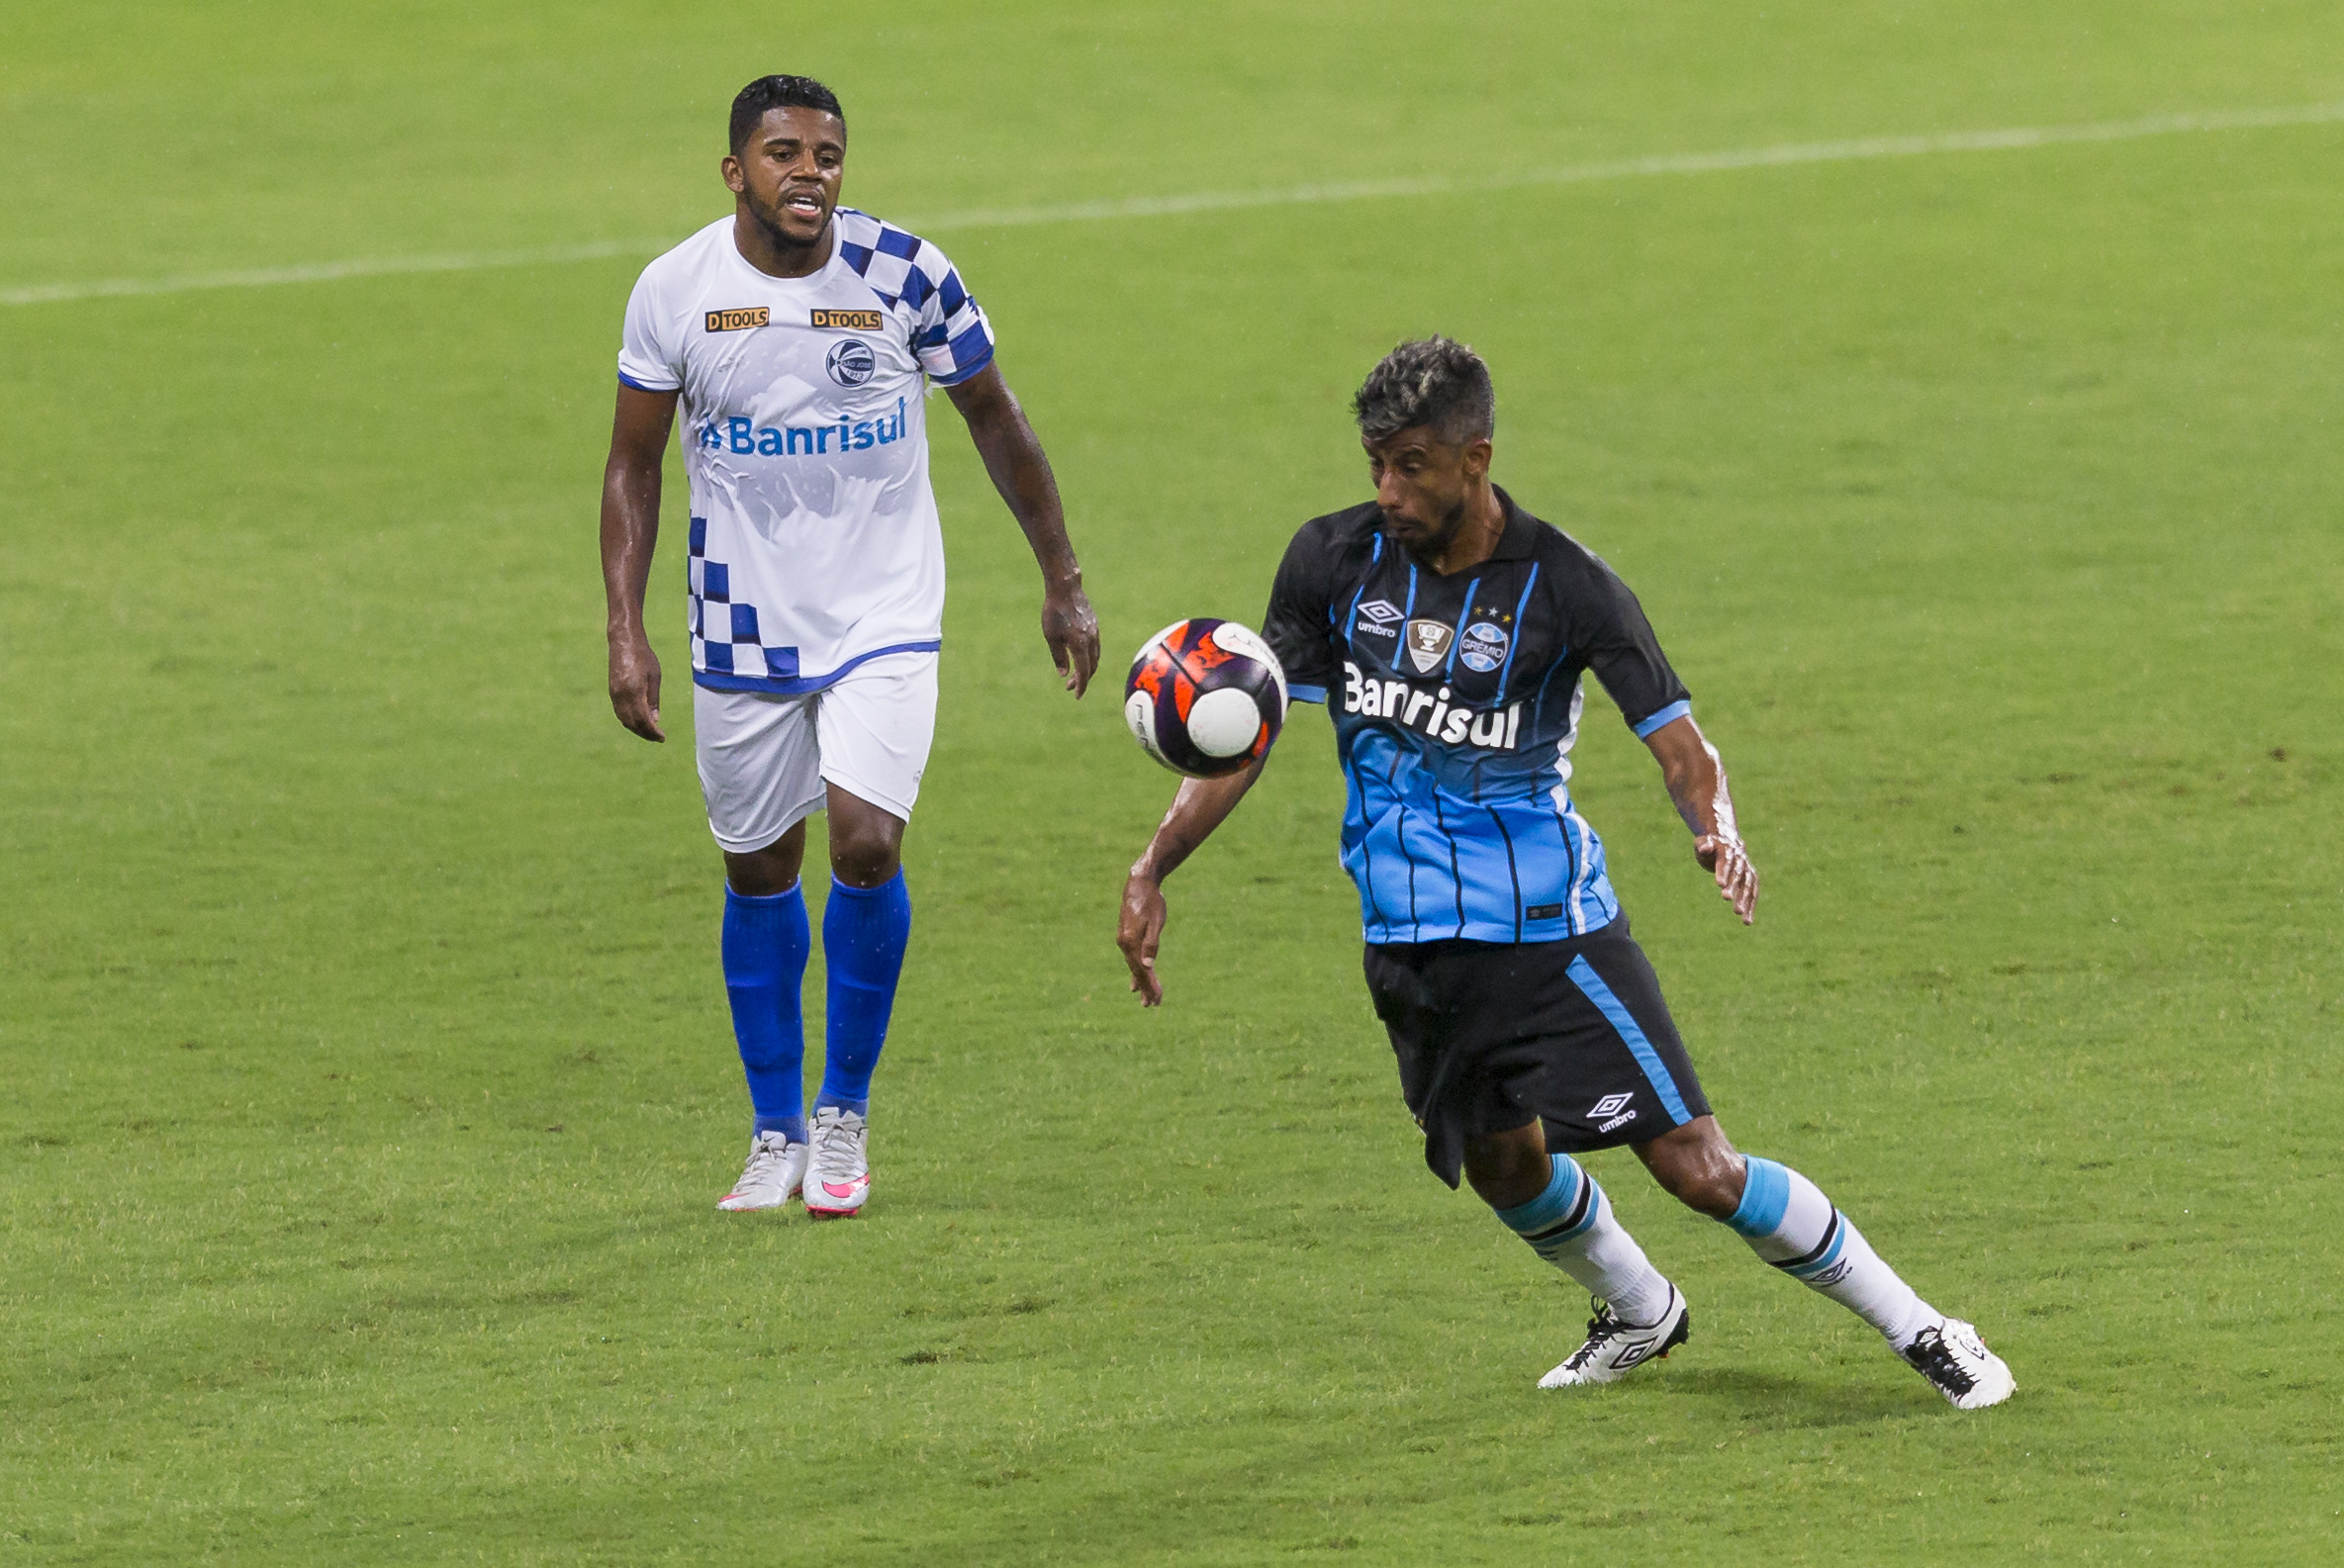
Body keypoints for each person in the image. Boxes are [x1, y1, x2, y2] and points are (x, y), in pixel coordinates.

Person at [1114, 337, 2013, 1407]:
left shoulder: (1566, 585)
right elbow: (1246, 733)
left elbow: (1680, 743)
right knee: (1501, 1165)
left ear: (1473, 457)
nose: (1385, 490)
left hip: (1549, 933)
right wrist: (1153, 863)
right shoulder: (1328, 562)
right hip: (1406, 942)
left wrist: (1712, 826)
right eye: (1373, 466)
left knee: (1694, 1164)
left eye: (1408, 466)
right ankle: (1642, 1310)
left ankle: (1923, 1329)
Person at [602, 74, 1099, 1219]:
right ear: (735, 171)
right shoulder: (675, 290)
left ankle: (841, 1115)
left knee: (865, 845)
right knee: (759, 867)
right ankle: (771, 1131)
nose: (808, 172)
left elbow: (995, 419)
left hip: (882, 615)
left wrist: (1061, 581)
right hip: (738, 621)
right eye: (782, 153)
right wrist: (625, 630)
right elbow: (630, 466)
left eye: (826, 153)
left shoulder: (904, 274)